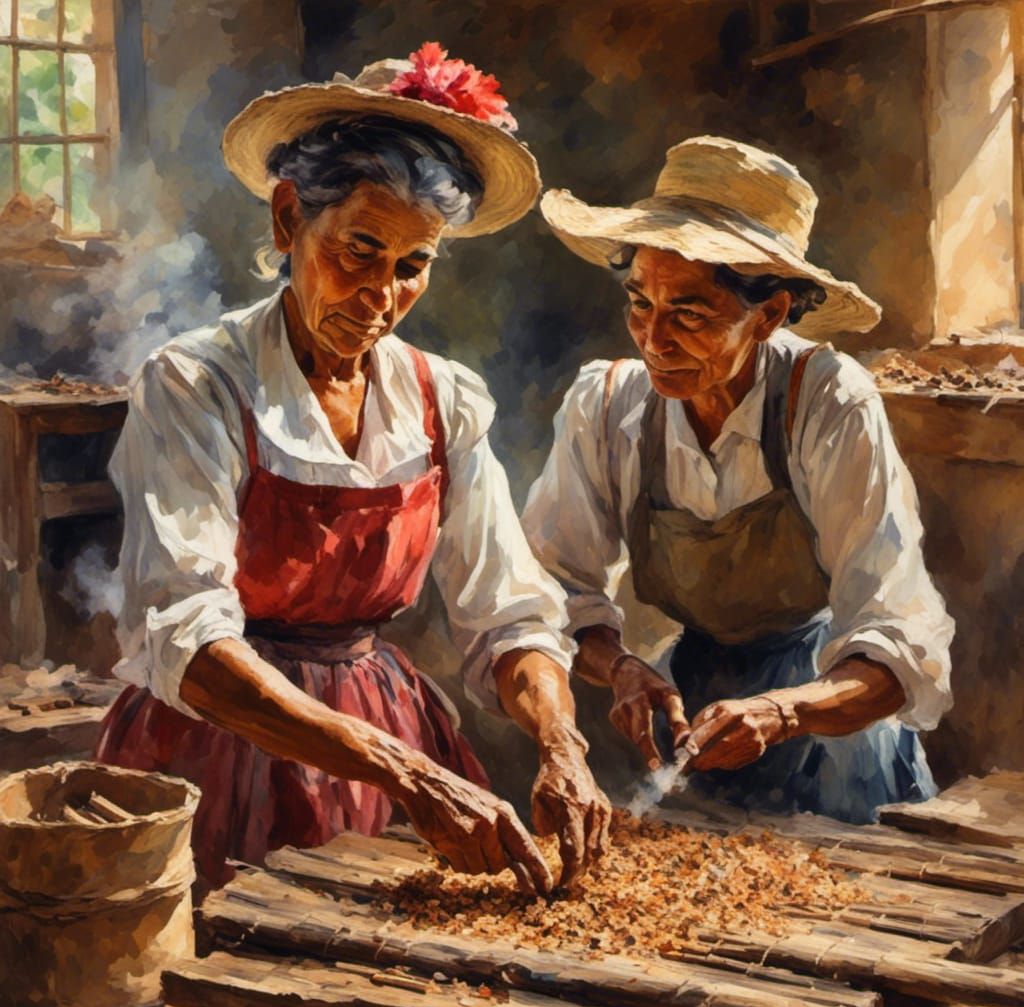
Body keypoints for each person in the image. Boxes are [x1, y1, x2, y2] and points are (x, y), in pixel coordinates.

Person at [96, 43, 610, 892]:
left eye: (413, 268)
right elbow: (183, 634)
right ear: (288, 218)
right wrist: (404, 772)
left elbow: (508, 612)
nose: (382, 296)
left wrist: (561, 741)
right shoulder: (198, 384)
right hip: (223, 737)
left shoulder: (445, 400)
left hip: (388, 739)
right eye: (359, 250)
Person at [522, 136, 954, 823]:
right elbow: (552, 589)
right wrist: (622, 669)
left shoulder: (826, 400)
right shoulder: (608, 407)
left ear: (771, 314)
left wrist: (784, 711)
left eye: (689, 314)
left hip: (826, 719)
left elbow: (899, 637)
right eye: (640, 304)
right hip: (693, 707)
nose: (654, 340)